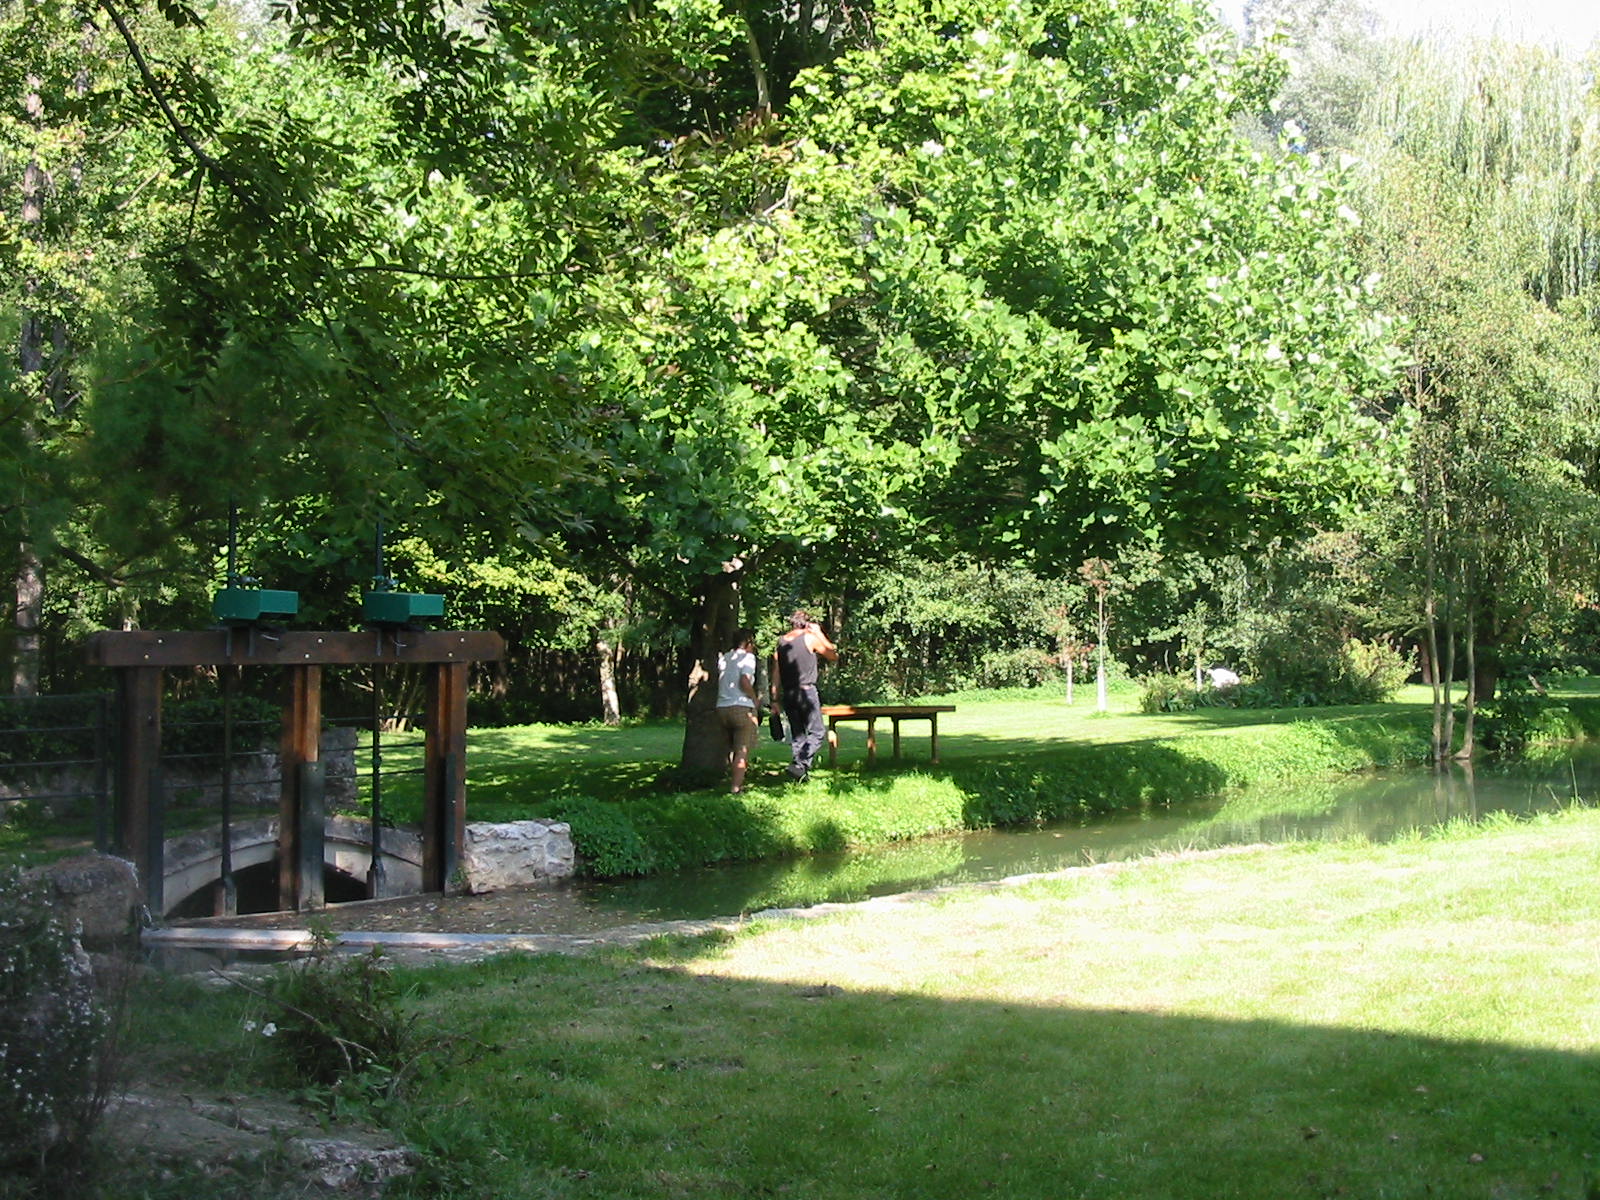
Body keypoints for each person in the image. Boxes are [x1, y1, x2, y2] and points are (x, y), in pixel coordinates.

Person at [770, 610, 839, 782]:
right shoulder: (810, 638)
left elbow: (776, 672)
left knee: (798, 735)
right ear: (807, 623)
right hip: (806, 691)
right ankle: (799, 764)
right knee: (817, 732)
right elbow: (832, 655)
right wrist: (820, 634)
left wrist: (774, 698)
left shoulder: (781, 642)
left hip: (789, 693)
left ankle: (799, 776)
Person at [715, 627, 760, 794]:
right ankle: (736, 788)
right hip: (741, 706)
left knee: (730, 748)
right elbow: (744, 681)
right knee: (742, 749)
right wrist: (754, 699)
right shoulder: (748, 658)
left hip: (722, 707)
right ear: (748, 643)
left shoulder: (724, 658)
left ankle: (729, 779)